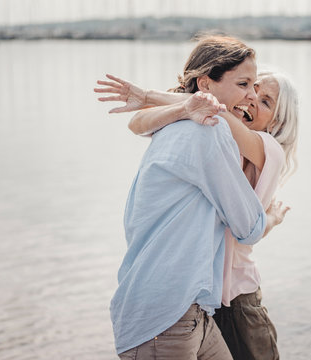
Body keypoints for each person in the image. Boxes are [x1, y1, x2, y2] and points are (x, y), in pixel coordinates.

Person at [97, 35, 290, 359]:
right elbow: (249, 227)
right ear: (206, 84)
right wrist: (272, 217)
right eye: (244, 84)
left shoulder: (184, 121)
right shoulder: (208, 129)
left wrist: (159, 100)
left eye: (259, 91)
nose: (251, 96)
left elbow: (141, 121)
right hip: (169, 312)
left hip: (191, 306)